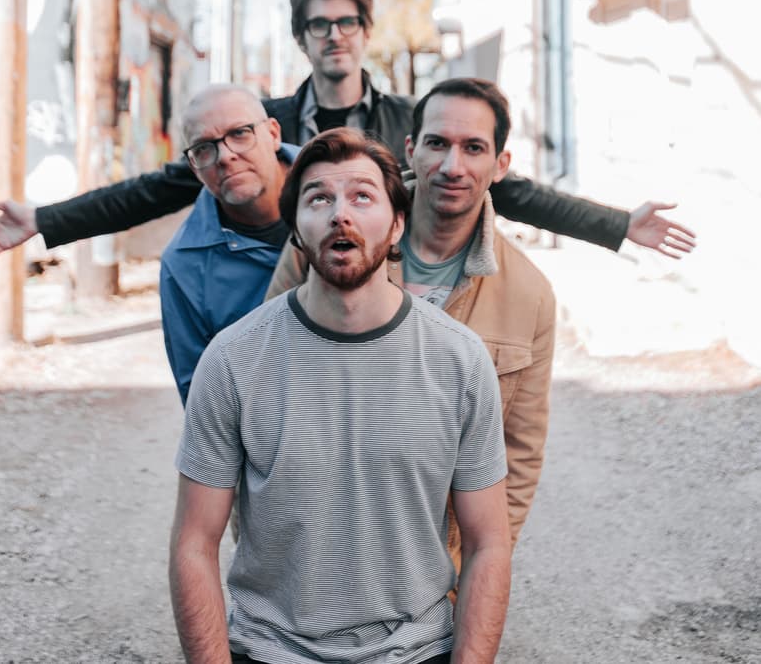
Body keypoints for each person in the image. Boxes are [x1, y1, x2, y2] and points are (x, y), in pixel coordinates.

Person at [0, 0, 696, 261]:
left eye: (347, 22)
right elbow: (160, 186)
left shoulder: (413, 123)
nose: (335, 34)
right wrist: (46, 219)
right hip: (284, 309)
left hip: (392, 305)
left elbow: (504, 186)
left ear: (365, 33)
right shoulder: (264, 124)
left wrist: (616, 224)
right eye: (320, 25)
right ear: (303, 38)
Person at [170, 127, 511, 664]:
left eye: (362, 196)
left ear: (397, 224)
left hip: (418, 651)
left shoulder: (460, 360)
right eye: (319, 198)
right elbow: (194, 542)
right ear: (298, 231)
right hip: (270, 650)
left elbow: (489, 541)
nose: (339, 214)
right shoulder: (232, 359)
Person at [266, 79, 552, 551]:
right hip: (311, 545)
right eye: (437, 143)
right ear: (411, 148)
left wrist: (474, 573)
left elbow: (518, 457)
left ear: (500, 164)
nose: (452, 166)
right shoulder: (329, 244)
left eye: (474, 147)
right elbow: (265, 383)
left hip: (434, 564)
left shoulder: (530, 296)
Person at [158, 85, 297, 403]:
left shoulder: (342, 183)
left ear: (273, 133)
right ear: (194, 166)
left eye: (240, 133)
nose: (225, 156)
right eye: (204, 148)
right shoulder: (184, 266)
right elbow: (202, 401)